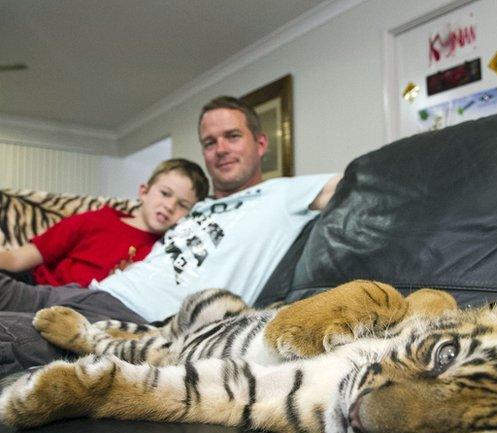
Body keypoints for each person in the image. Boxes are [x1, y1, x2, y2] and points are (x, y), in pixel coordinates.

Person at [0, 96, 341, 374]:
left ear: (261, 142)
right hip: (85, 293)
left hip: (131, 321)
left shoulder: (284, 194)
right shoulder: (194, 208)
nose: (220, 148)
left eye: (233, 136)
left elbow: (359, 182)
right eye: (210, 142)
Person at [0, 158, 209, 287]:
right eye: (164, 193)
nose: (170, 206)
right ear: (143, 192)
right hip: (35, 287)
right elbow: (19, 259)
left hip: (81, 313)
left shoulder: (166, 252)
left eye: (182, 204)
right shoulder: (97, 220)